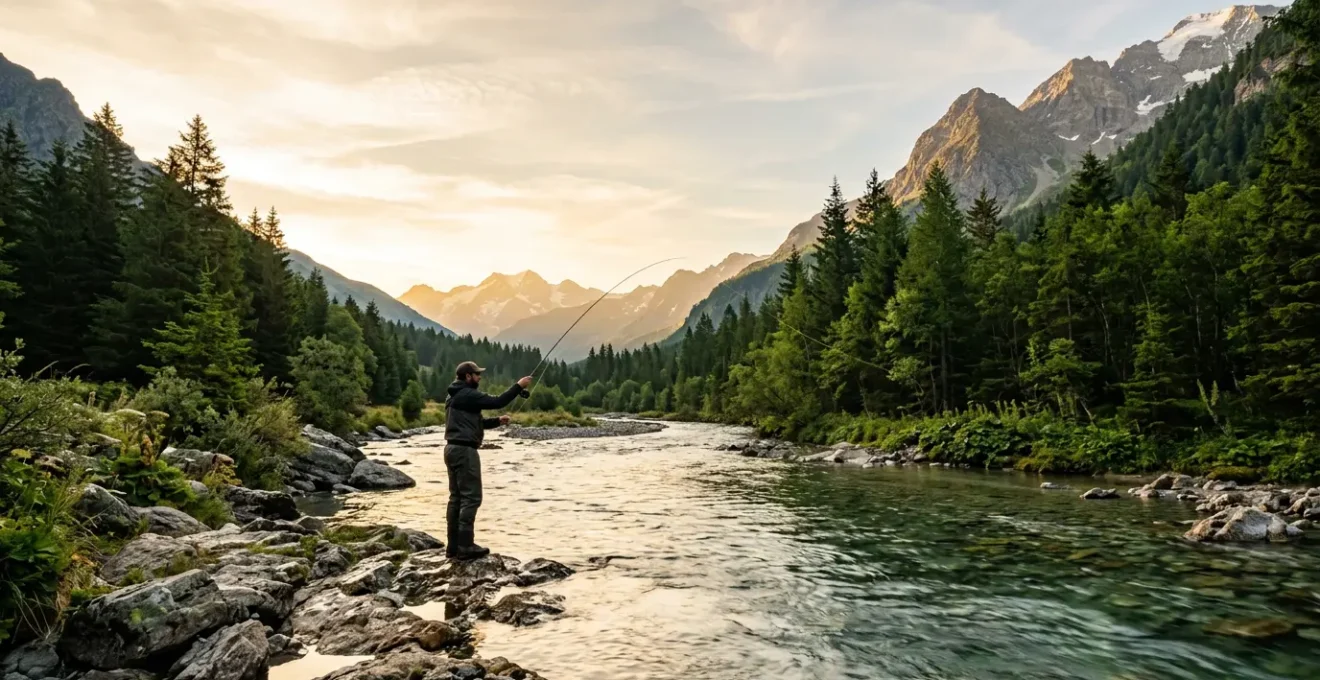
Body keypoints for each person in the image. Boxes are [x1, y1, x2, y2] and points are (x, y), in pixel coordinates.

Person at [443, 361, 533, 560]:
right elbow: (498, 401)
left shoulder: (453, 396)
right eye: (477, 374)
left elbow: (473, 422)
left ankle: (453, 547)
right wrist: (519, 386)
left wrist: (496, 422)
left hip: (451, 449)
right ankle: (466, 546)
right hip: (465, 451)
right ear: (468, 376)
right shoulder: (467, 394)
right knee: (471, 498)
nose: (479, 377)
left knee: (456, 498)